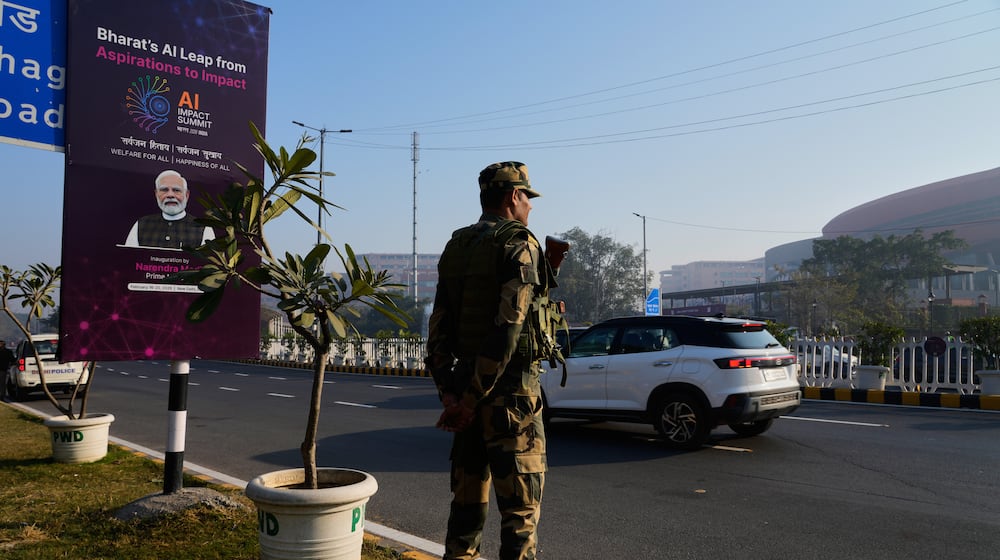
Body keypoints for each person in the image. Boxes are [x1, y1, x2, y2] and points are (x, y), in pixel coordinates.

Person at [426, 161, 563, 560]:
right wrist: (467, 401)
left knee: (465, 516)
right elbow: (508, 329)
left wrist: (452, 398)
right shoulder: (520, 243)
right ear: (511, 197)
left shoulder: (457, 245)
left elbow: (437, 331)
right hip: (511, 404)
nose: (530, 208)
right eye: (527, 198)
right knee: (519, 521)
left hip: (468, 400)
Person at [123, 169, 215, 249]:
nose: (170, 195)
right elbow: (129, 261)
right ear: (156, 194)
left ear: (186, 195)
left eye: (176, 190)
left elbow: (212, 266)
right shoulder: (141, 224)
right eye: (164, 190)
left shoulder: (203, 227)